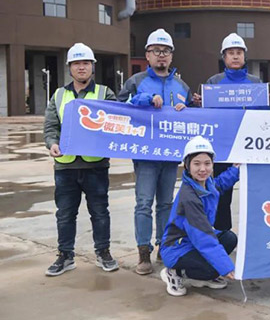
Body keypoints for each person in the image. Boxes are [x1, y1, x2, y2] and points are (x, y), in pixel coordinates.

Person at [117, 28, 192, 275]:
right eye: (156, 51)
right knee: (144, 203)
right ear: (147, 55)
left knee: (166, 204)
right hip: (145, 157)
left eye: (166, 51)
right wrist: (144, 99)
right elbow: (119, 107)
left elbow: (194, 116)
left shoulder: (182, 86)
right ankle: (143, 252)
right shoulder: (136, 82)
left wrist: (187, 108)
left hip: (170, 157)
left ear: (172, 56)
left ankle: (164, 246)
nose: (161, 55)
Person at [43, 43, 119, 276]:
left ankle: (103, 252)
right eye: (76, 63)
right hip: (65, 166)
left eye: (85, 63)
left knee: (100, 212)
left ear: (93, 66)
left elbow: (116, 121)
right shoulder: (58, 95)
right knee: (65, 214)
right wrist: (52, 143)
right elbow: (51, 126)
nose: (81, 67)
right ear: (70, 67)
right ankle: (65, 256)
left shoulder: (105, 93)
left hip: (95, 165)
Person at [192, 32, 270, 233]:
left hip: (250, 145)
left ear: (244, 56)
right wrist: (198, 104)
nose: (236, 56)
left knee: (255, 192)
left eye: (239, 52)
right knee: (222, 193)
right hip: (222, 147)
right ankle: (222, 235)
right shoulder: (213, 82)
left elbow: (264, 116)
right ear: (224, 57)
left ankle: (257, 234)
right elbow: (205, 114)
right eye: (231, 53)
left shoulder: (256, 83)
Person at [159, 136, 240, 297]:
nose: (203, 169)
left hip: (192, 241)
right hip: (176, 248)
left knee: (229, 238)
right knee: (213, 267)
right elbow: (203, 238)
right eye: (197, 164)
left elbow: (220, 184)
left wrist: (236, 170)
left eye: (207, 163)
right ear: (187, 165)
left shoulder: (206, 184)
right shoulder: (189, 197)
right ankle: (175, 272)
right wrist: (225, 267)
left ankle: (202, 276)